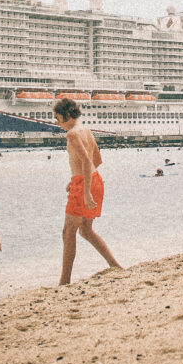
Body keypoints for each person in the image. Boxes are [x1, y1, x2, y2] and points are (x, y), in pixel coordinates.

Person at [53, 98, 121, 286]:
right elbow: (96, 160)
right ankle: (114, 265)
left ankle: (64, 281)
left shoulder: (72, 135)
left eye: (58, 119)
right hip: (95, 180)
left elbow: (85, 161)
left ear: (66, 115)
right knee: (86, 230)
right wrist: (74, 179)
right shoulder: (86, 131)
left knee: (69, 231)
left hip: (84, 184)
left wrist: (84, 190)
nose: (58, 124)